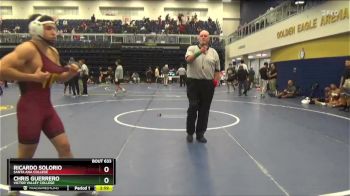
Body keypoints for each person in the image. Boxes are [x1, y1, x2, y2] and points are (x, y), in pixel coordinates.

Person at [0, 14, 79, 160]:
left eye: (55, 28)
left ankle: (70, 179)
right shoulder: (27, 49)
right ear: (35, 29)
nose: (54, 32)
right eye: (49, 28)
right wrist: (32, 77)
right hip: (29, 110)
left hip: (47, 109)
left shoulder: (53, 52)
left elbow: (59, 79)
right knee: (25, 157)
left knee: (65, 147)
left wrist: (71, 74)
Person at [185, 30, 221, 143]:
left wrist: (215, 82)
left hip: (208, 84)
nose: (204, 37)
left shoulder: (214, 52)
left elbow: (217, 70)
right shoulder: (191, 48)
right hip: (193, 83)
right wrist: (200, 52)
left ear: (209, 38)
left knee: (204, 110)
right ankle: (190, 133)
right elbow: (188, 60)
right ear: (198, 38)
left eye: (206, 36)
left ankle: (200, 133)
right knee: (193, 107)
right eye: (201, 36)